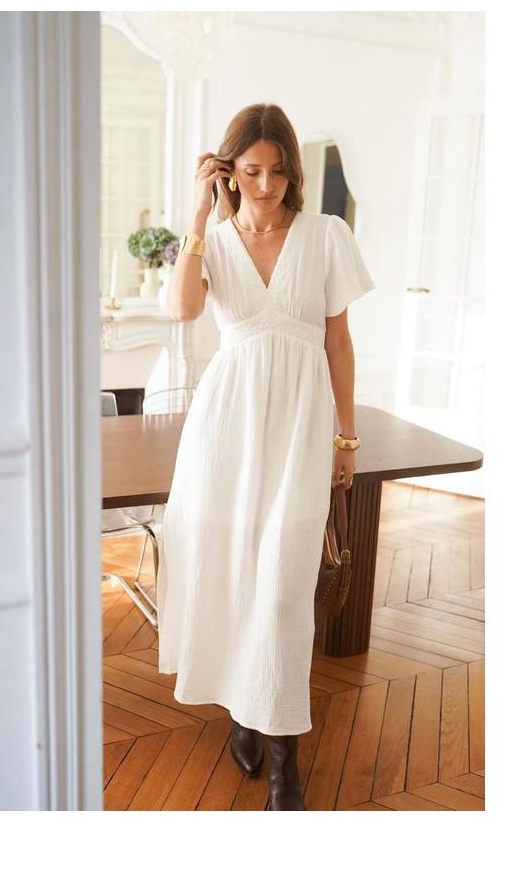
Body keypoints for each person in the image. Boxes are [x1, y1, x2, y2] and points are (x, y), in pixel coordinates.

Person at [155, 103, 376, 810]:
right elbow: (181, 310)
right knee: (229, 573)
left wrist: (346, 437)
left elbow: (338, 342)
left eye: (279, 171)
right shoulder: (214, 243)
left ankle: (285, 762)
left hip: (301, 429)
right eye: (251, 171)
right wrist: (198, 213)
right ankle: (244, 717)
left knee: (282, 591)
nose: (267, 184)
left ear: (293, 172)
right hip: (226, 431)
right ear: (229, 171)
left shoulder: (325, 235)